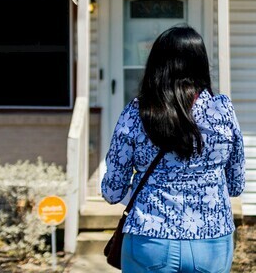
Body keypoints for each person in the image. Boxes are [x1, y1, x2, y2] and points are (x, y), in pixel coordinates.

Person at [102, 25, 245, 273]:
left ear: (156, 65)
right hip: (212, 240)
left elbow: (113, 191)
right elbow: (235, 184)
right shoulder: (222, 110)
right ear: (200, 63)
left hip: (149, 236)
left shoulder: (136, 112)